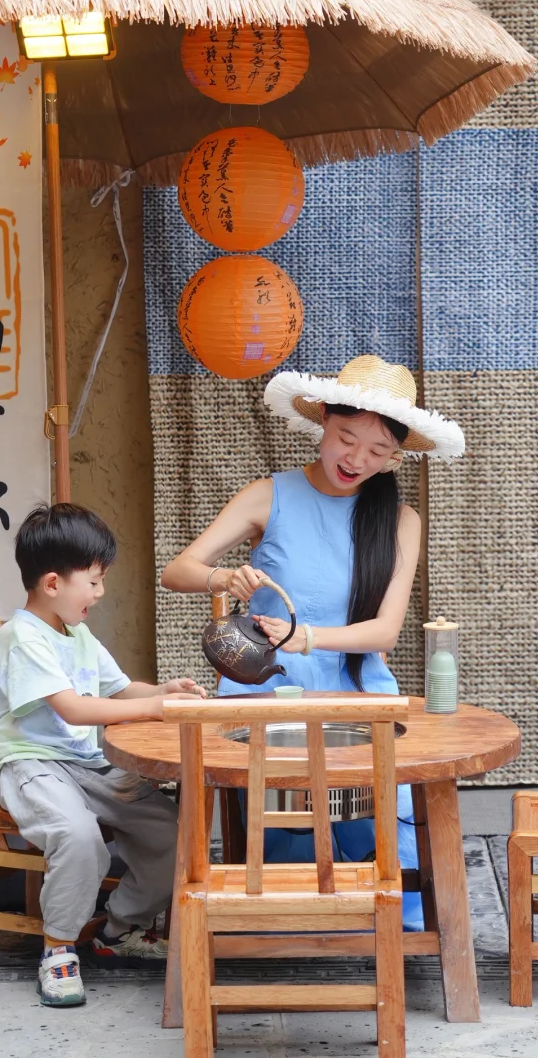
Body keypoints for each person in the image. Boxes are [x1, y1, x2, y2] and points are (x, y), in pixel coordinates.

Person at [161, 355, 465, 927]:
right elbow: (177, 570)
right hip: (268, 692)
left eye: (378, 452)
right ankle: (290, 915)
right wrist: (224, 578)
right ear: (323, 419)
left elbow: (385, 632)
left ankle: (387, 920)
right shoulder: (268, 495)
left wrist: (305, 638)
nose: (356, 460)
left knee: (384, 820)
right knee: (288, 820)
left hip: (357, 687)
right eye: (347, 438)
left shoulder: (400, 520)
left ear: (397, 456)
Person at [0, 501, 205, 1009]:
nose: (101, 593)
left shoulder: (74, 631)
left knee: (172, 830)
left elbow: (119, 689)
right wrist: (156, 707)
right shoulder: (21, 637)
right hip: (29, 762)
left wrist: (164, 688)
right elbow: (75, 709)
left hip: (82, 762)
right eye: (95, 580)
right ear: (54, 583)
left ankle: (115, 929)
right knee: (78, 836)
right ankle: (58, 948)